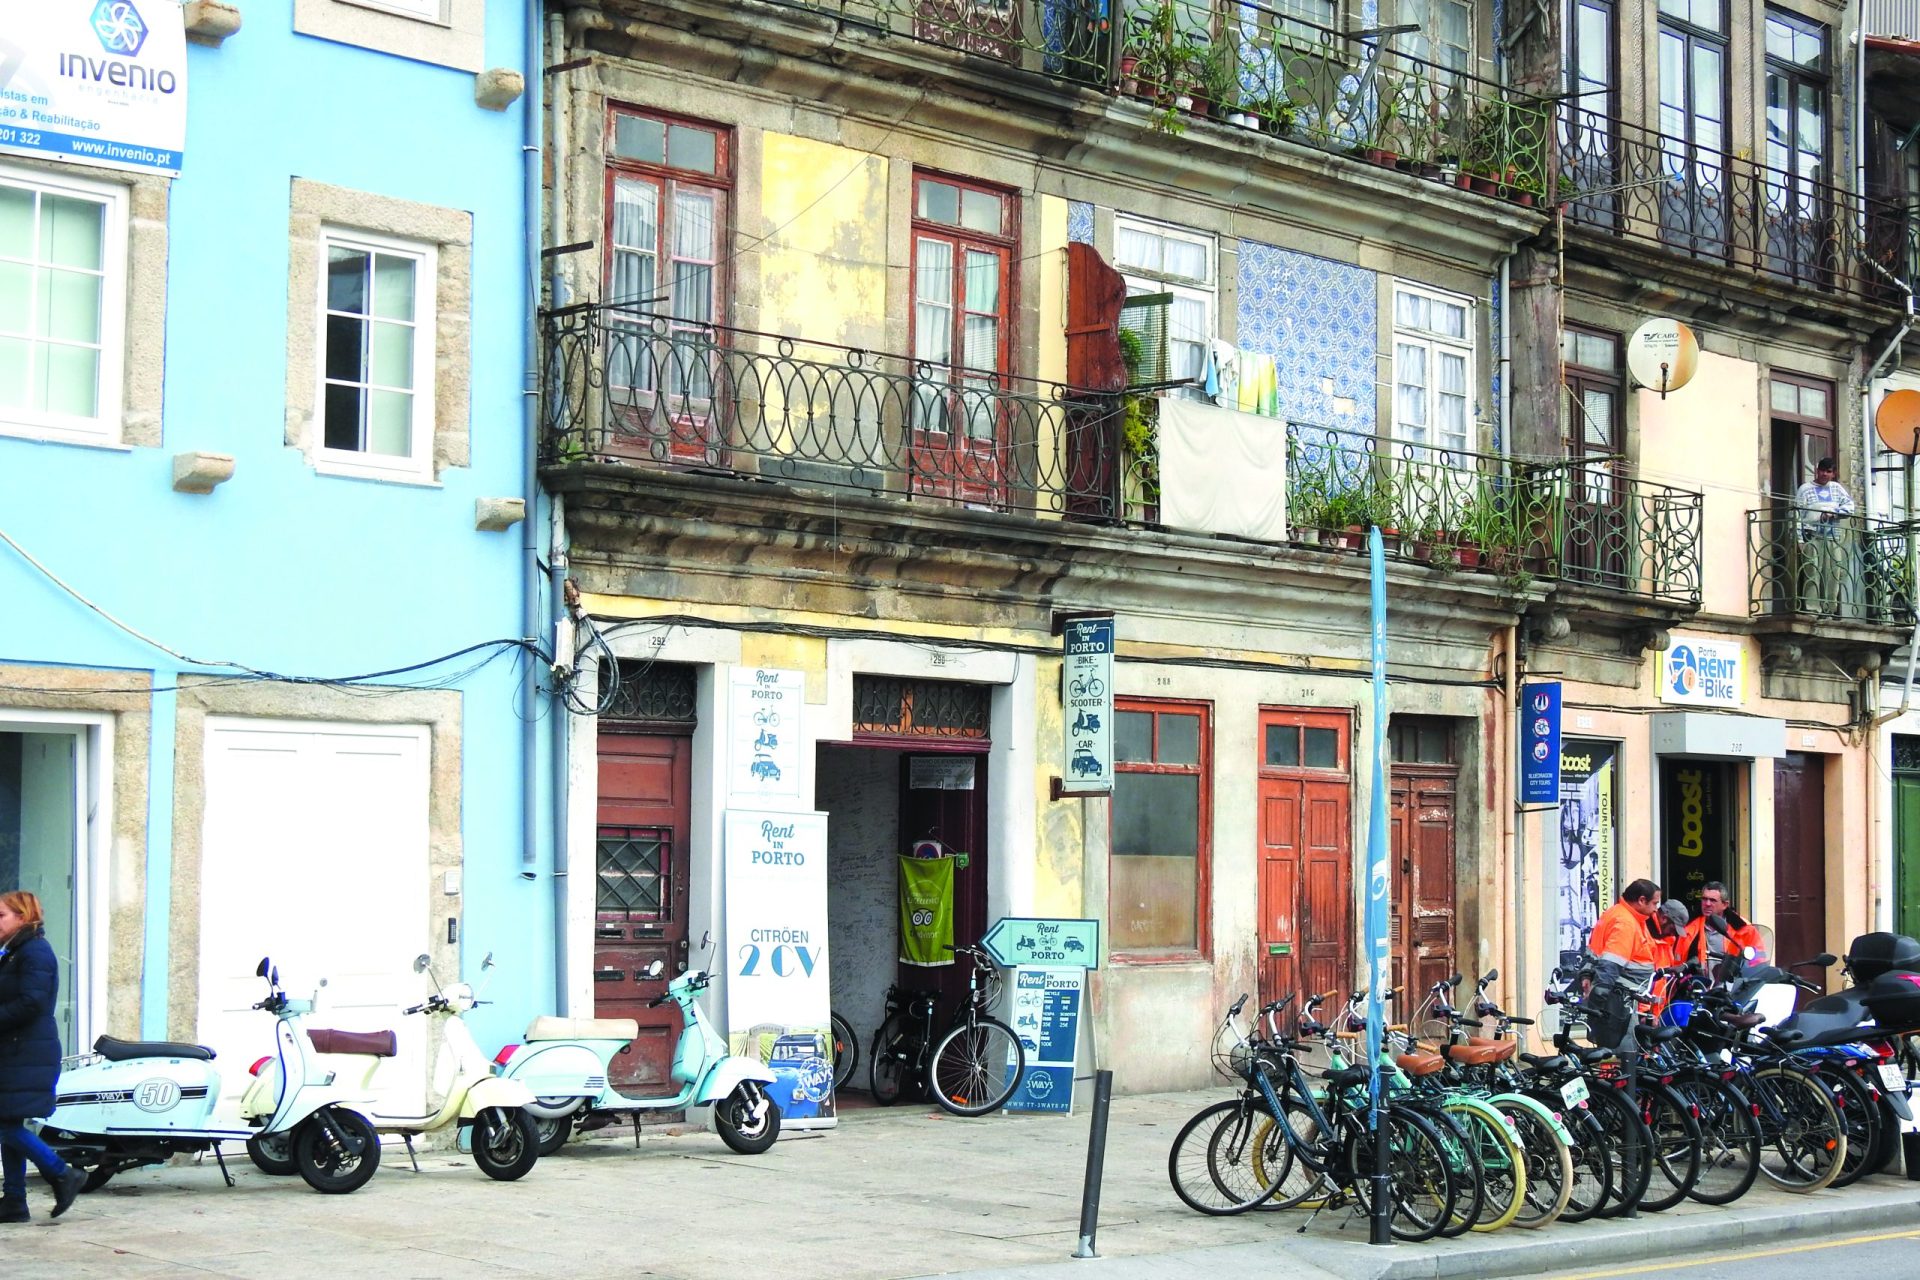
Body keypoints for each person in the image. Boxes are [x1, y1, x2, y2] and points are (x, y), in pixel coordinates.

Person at [0, 891, 85, 1224]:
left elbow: (31, 1003)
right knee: (9, 1122)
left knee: (4, 1123)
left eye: (2, 915)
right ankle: (15, 1201)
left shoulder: (35, 952)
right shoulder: (14, 952)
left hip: (27, 1050)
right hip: (16, 1049)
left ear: (23, 917)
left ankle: (62, 1173)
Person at [1583, 879, 1663, 1050]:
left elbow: (1594, 951)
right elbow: (1610, 966)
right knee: (1624, 1059)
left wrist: (1586, 975)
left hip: (1616, 1000)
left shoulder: (1616, 913)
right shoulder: (1626, 923)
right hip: (1620, 1003)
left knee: (1610, 1055)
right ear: (1642, 900)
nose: (1656, 909)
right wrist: (1598, 1004)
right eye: (1655, 903)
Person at [1794, 457, 1856, 614]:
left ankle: (1829, 609)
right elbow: (1797, 515)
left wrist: (1832, 513)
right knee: (1812, 571)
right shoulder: (1805, 489)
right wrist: (1799, 539)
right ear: (1817, 470)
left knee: (1833, 572)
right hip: (1811, 536)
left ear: (1833, 474)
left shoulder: (1837, 488)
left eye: (1828, 471)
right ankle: (1813, 609)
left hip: (1833, 538)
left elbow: (1850, 507)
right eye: (1822, 470)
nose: (1824, 474)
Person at [1679, 881, 1768, 974]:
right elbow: (1678, 963)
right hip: (1699, 985)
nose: (1707, 904)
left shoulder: (1744, 929)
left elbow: (1758, 963)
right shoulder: (1689, 927)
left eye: (1713, 900)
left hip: (1732, 985)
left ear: (1725, 905)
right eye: (1704, 899)